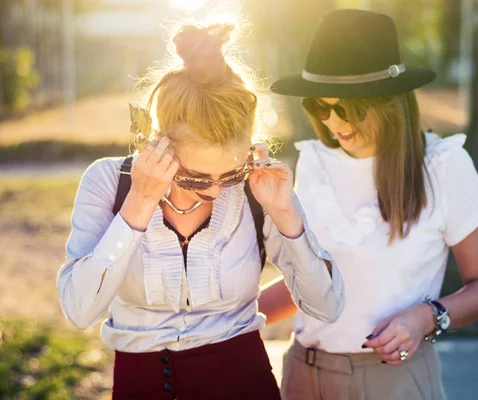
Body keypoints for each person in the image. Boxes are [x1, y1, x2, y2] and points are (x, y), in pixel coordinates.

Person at [56, 21, 344, 400]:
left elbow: (327, 306)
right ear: (159, 145)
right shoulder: (109, 182)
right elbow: (79, 310)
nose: (214, 190)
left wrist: (286, 215)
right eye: (195, 177)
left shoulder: (257, 189)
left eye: (231, 174)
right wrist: (139, 203)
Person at [260, 9, 478, 400]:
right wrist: (223, 319)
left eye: (348, 107)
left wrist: (426, 317)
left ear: (389, 101)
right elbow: (314, 283)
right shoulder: (314, 162)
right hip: (302, 376)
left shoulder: (443, 166)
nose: (334, 123)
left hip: (393, 380)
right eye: (320, 107)